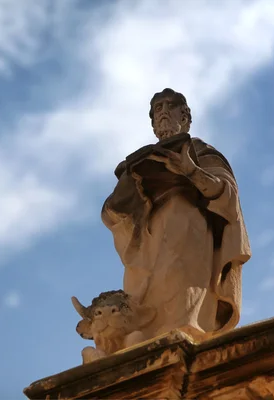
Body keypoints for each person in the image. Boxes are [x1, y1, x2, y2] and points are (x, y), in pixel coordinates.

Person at [101, 88, 251, 341]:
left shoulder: (199, 149)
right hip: (146, 242)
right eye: (157, 109)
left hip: (186, 227)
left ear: (185, 116)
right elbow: (110, 215)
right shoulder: (135, 163)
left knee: (181, 297)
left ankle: (183, 334)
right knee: (140, 311)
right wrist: (127, 189)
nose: (163, 113)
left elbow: (226, 194)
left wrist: (190, 171)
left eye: (169, 106)